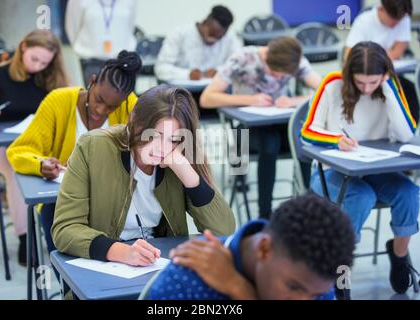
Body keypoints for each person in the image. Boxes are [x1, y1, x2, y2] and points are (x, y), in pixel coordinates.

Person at [51, 85, 236, 267]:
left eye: (173, 139)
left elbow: (224, 232)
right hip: (106, 267)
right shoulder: (92, 147)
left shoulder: (178, 157)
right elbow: (65, 229)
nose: (162, 148)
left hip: (157, 265)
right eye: (155, 135)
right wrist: (121, 252)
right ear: (134, 121)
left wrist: (189, 175)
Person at [301, 41, 419, 296]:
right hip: (329, 171)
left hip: (375, 168)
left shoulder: (389, 85)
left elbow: (406, 134)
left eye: (373, 82)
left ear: (384, 74)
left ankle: (399, 257)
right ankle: (340, 266)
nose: (366, 89)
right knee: (361, 196)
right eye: (360, 82)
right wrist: (334, 140)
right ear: (349, 75)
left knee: (409, 193)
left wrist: (388, 89)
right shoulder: (332, 83)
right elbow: (307, 130)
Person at [7, 50, 141, 257]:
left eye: (111, 107)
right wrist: (41, 164)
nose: (101, 110)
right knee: (67, 260)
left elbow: (144, 147)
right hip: (63, 201)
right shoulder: (58, 102)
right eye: (99, 99)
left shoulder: (129, 104)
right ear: (92, 81)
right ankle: (68, 287)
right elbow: (19, 150)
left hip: (112, 202)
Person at [146, 194, 355, 300]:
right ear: (264, 249)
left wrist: (241, 290)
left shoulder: (315, 282)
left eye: (316, 296)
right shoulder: (188, 279)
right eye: (293, 287)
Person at [200, 36, 321, 218]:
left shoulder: (294, 59)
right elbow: (207, 98)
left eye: (283, 77)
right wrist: (250, 100)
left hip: (280, 122)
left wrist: (293, 101)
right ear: (266, 59)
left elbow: (324, 90)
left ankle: (310, 206)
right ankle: (264, 215)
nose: (278, 78)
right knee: (270, 142)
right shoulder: (243, 58)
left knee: (303, 138)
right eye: (275, 73)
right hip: (247, 129)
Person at [0, 29, 69, 265]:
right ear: (22, 47)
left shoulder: (53, 79)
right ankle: (25, 237)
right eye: (34, 59)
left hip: (41, 147)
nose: (38, 66)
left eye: (45, 62)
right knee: (15, 169)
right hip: (2, 148)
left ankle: (62, 229)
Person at [344, 0, 418, 123]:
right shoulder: (364, 21)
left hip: (388, 74)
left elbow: (398, 51)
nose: (396, 24)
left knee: (409, 90)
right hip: (366, 73)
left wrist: (373, 57)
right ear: (381, 8)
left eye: (399, 20)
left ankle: (410, 126)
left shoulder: (403, 18)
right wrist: (382, 57)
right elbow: (348, 56)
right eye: (392, 18)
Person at [154, 5, 242, 82]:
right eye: (211, 34)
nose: (213, 40)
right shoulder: (179, 33)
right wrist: (188, 74)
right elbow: (161, 68)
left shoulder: (230, 38)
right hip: (180, 93)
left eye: (218, 38)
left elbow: (239, 65)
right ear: (205, 22)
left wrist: (218, 72)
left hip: (212, 92)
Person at [65, 0, 137, 60]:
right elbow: (72, 27)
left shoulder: (129, 1)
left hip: (123, 59)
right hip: (91, 60)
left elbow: (130, 26)